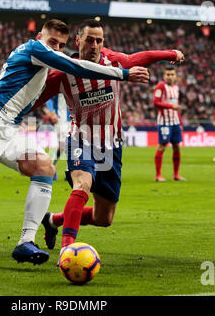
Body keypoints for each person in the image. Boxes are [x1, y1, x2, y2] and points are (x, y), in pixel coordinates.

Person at [0, 19, 150, 264]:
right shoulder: (35, 50)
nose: (55, 48)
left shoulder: (44, 62)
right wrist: (123, 74)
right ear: (40, 37)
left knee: (44, 167)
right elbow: (77, 67)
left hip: (9, 126)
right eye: (51, 41)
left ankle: (25, 242)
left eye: (61, 45)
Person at [30, 19, 184, 250]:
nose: (94, 45)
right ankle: (67, 248)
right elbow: (35, 99)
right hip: (81, 139)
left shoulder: (111, 60)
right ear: (78, 40)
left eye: (98, 40)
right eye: (89, 39)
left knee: (104, 218)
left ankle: (53, 220)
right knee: (82, 184)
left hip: (112, 145)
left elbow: (135, 59)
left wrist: (170, 53)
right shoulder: (63, 71)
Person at [153, 66, 186, 182]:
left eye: (172, 74)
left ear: (176, 76)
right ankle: (158, 175)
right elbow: (156, 102)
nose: (170, 77)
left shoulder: (176, 88)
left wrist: (180, 122)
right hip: (164, 122)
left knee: (177, 147)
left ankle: (176, 174)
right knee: (162, 146)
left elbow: (176, 107)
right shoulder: (161, 86)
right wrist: (171, 106)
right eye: (168, 74)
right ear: (164, 76)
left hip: (175, 122)